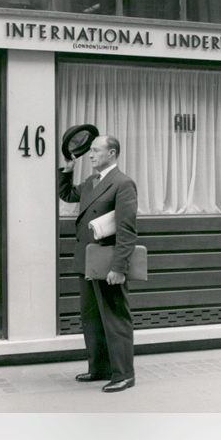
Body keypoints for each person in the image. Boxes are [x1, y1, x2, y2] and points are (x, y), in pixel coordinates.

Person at [58, 135, 138, 392]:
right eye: (90, 151)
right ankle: (100, 368)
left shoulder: (123, 184)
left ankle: (124, 374)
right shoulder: (92, 182)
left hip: (108, 262)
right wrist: (67, 172)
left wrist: (119, 267)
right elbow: (67, 195)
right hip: (88, 260)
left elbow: (127, 231)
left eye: (95, 150)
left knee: (115, 318)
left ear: (112, 153)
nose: (89, 155)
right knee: (91, 317)